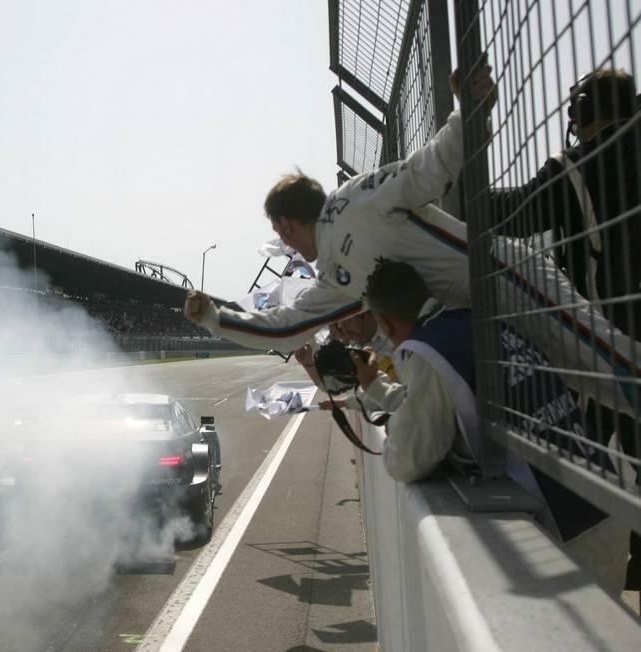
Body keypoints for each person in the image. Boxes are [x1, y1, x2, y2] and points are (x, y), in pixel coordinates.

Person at [183, 63, 641, 417]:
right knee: (596, 388)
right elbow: (285, 327)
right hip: (484, 320)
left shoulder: (357, 198)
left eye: (279, 230)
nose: (282, 240)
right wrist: (215, 317)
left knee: (610, 370)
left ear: (285, 225)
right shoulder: (332, 279)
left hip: (507, 279)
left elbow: (430, 167)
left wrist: (470, 113)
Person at [357, 258, 627, 594]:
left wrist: (390, 429)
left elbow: (410, 459)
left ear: (384, 322)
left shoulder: (427, 350)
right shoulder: (480, 322)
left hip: (567, 529)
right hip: (605, 503)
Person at [483, 68, 641, 590]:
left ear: (585, 115)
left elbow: (512, 213)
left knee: (598, 455)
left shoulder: (584, 166)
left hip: (614, 339)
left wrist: (453, 192)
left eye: (575, 113)